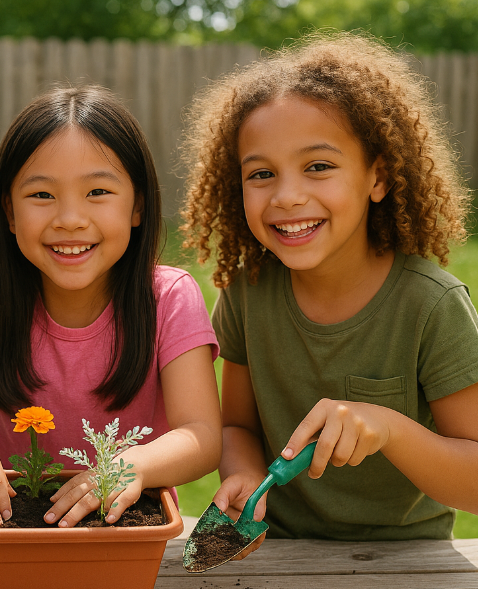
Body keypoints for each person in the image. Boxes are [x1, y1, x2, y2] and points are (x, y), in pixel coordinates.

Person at [180, 31, 478, 551]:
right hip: (279, 549)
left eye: (318, 166)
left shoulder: (431, 306)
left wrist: (389, 428)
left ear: (378, 178)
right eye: (262, 173)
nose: (288, 196)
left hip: (408, 559)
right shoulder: (248, 292)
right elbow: (237, 428)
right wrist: (246, 474)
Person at [0, 86, 223, 527]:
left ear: (138, 206)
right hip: (11, 523)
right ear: (10, 214)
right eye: (42, 196)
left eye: (97, 192)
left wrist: (129, 468)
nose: (70, 218)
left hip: (121, 525)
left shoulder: (169, 297)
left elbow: (202, 436)